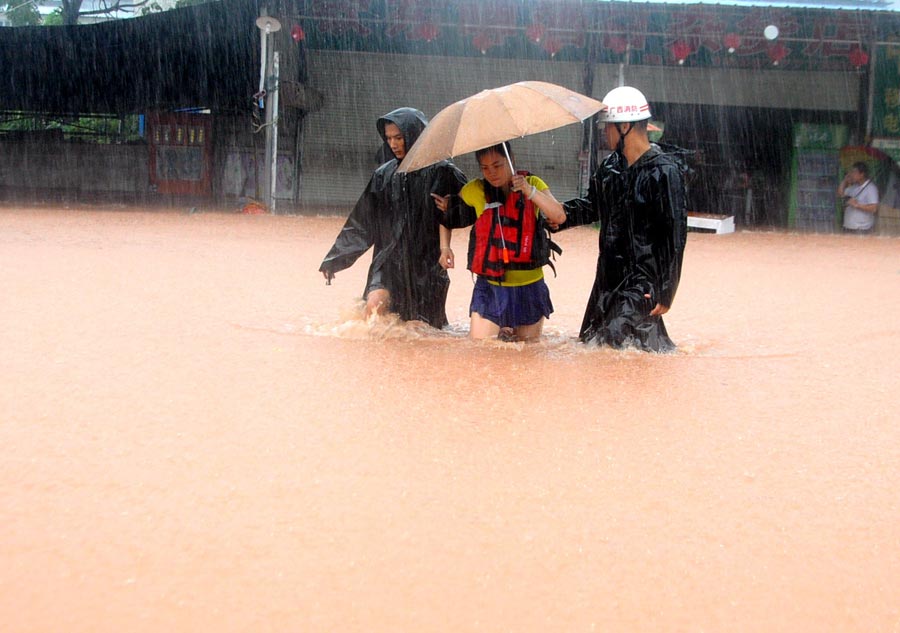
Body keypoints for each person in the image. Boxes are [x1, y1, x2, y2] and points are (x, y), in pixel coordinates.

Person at [556, 86, 688, 352]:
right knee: (592, 344)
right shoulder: (610, 168)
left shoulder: (664, 172)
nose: (605, 132)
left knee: (611, 345)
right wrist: (557, 215)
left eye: (608, 127)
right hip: (607, 278)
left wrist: (666, 290)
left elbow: (674, 236)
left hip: (642, 281)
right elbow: (592, 207)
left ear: (624, 126)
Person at [319, 107, 467, 328]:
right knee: (374, 307)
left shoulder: (444, 172)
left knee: (423, 330)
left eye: (399, 137)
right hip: (388, 262)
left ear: (415, 135)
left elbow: (472, 209)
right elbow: (362, 223)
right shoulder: (384, 175)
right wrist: (336, 259)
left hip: (426, 267)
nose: (393, 144)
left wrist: (451, 207)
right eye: (389, 138)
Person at [433, 142, 566, 341]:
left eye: (497, 165)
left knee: (527, 351)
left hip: (529, 287)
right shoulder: (475, 189)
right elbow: (447, 216)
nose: (492, 173)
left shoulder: (533, 183)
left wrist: (528, 190)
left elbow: (559, 216)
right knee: (481, 345)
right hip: (490, 287)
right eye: (485, 168)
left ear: (511, 160)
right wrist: (445, 247)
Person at [838, 161, 879, 233]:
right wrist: (845, 180)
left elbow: (874, 208)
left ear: (862, 174)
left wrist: (857, 205)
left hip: (861, 229)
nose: (851, 174)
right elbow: (840, 194)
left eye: (854, 172)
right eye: (851, 172)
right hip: (848, 226)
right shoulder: (854, 186)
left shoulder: (870, 188)